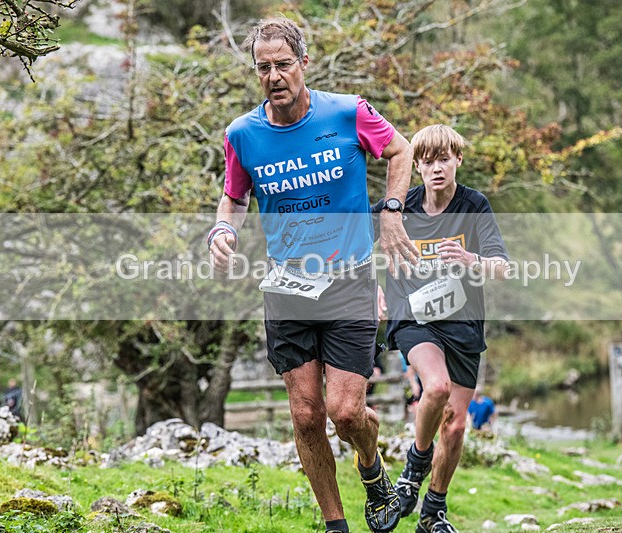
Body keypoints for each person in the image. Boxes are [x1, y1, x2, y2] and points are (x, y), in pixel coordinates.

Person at [207, 17, 418, 533]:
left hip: (348, 281)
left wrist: (390, 212)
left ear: (304, 63)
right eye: (263, 68)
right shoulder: (243, 134)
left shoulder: (347, 111)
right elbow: (234, 196)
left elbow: (401, 149)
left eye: (283, 64)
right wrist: (220, 230)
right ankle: (335, 525)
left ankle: (371, 466)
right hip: (288, 286)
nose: (274, 76)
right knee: (305, 416)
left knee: (346, 414)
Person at [375, 124, 509, 532]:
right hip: (413, 317)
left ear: (458, 161)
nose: (436, 169)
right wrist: (371, 292)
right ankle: (413, 471)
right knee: (435, 388)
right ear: (415, 166)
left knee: (454, 424)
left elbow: (502, 268)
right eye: (427, 161)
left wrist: (472, 261)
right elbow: (354, 248)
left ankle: (433, 511)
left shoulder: (474, 205)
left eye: (444, 160)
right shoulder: (400, 207)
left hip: (463, 324)